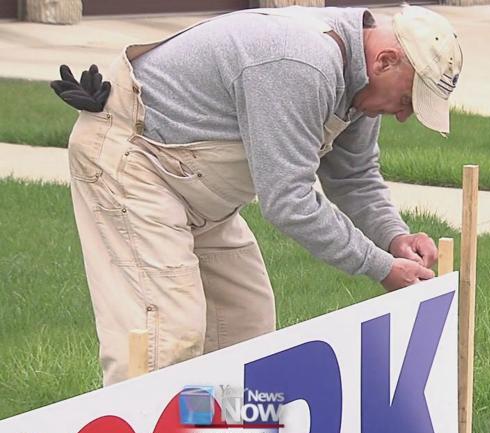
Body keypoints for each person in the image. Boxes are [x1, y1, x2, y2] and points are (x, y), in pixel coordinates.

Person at [52, 5, 464, 386]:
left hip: (194, 188)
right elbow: (290, 202)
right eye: (408, 99)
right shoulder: (300, 63)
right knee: (166, 337)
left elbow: (354, 177)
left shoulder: (362, 88)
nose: (405, 114)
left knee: (246, 327)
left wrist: (394, 238)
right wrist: (381, 267)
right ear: (385, 61)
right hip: (133, 163)